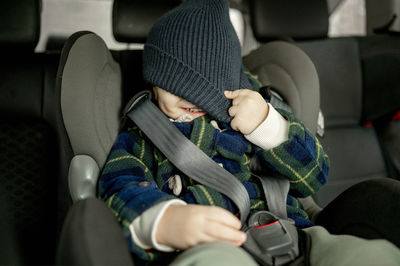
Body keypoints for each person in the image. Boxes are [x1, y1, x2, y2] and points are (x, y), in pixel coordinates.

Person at [99, 0, 400, 265]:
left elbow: (315, 176)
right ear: (153, 79)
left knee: (370, 256)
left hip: (293, 236)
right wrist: (163, 221)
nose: (191, 99)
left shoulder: (258, 108)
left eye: (208, 90)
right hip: (209, 245)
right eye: (175, 85)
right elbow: (120, 186)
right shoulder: (143, 132)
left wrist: (268, 126)